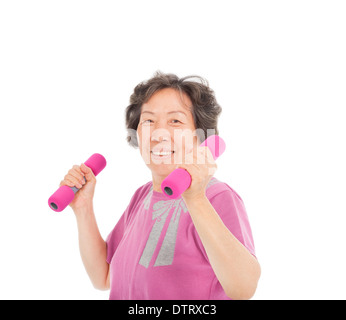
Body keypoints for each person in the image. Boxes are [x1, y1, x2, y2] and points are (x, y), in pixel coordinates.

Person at [60, 72, 261, 300]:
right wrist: (83, 208)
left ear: (199, 137)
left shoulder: (218, 197)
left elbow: (243, 289)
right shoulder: (142, 195)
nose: (158, 133)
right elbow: (103, 277)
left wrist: (195, 198)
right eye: (148, 120)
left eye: (175, 121)